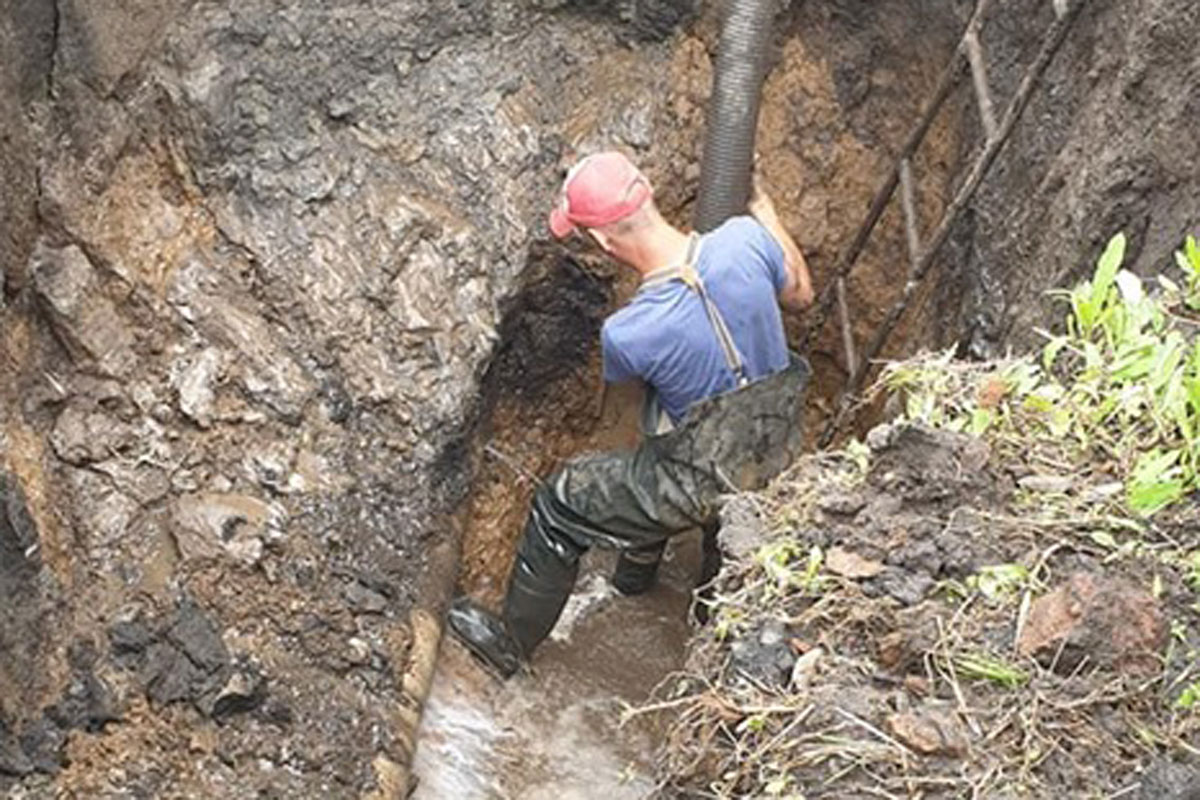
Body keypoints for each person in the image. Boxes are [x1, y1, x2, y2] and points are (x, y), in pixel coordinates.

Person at [447, 151, 814, 677]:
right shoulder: (746, 240)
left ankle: (511, 645)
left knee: (562, 501)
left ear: (600, 240)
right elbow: (800, 295)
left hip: (702, 479)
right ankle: (702, 610)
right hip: (780, 453)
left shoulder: (629, 333)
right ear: (649, 194)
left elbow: (647, 400)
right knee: (720, 504)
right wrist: (767, 211)